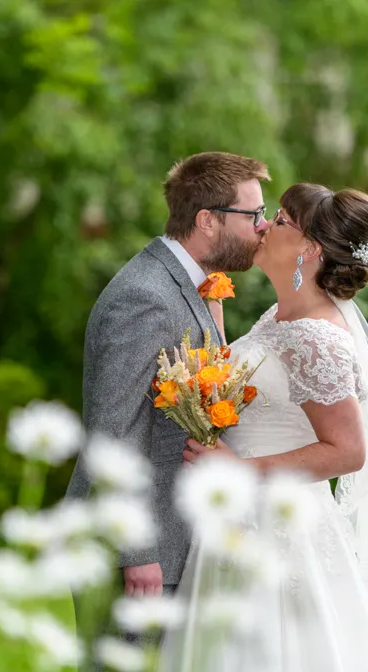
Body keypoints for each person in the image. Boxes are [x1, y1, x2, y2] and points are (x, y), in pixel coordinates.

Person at [157, 184, 368, 671]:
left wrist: (241, 468)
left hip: (282, 531)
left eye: (279, 220)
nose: (262, 226)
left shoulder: (317, 338)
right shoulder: (277, 318)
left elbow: (347, 451)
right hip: (238, 522)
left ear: (310, 249)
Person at [66, 152, 271, 599]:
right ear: (207, 221)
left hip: (175, 542)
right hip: (142, 553)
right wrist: (136, 553)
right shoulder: (145, 296)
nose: (263, 225)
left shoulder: (189, 284)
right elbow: (111, 429)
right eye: (253, 213)